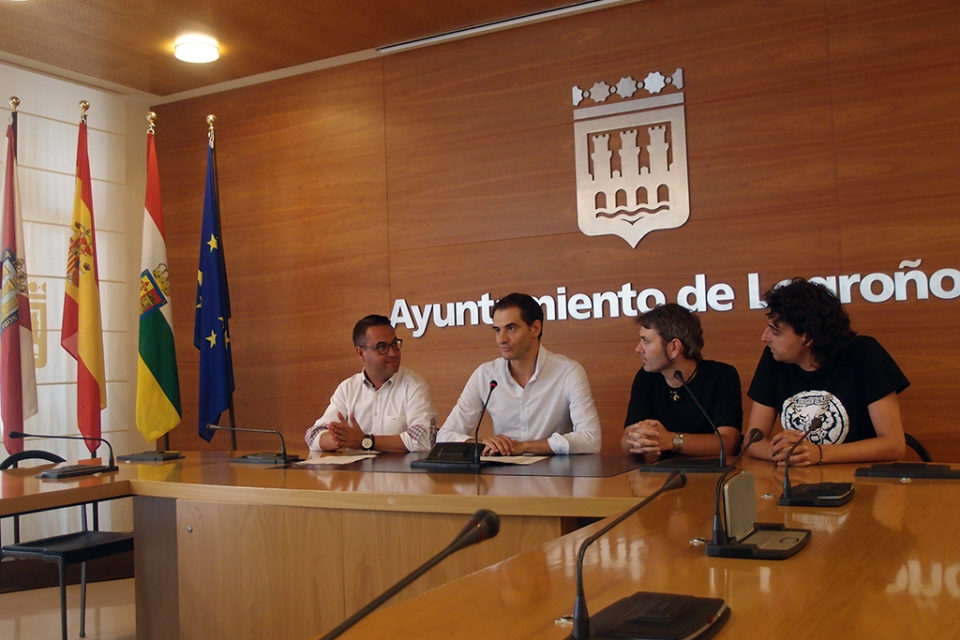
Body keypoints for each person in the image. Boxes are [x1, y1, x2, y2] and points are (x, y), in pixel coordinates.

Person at [745, 278, 908, 465]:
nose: (764, 337)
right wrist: (787, 454)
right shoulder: (774, 358)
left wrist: (819, 453)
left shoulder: (864, 353)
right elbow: (753, 440)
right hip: (798, 483)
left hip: (861, 482)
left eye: (775, 331)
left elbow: (894, 446)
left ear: (806, 337)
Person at [436, 293, 601, 455]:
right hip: (503, 476)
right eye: (497, 330)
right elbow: (444, 436)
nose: (501, 339)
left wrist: (524, 446)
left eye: (511, 328)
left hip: (555, 476)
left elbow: (591, 439)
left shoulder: (568, 372)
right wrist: (480, 443)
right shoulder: (485, 375)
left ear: (535, 328)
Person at [620, 303, 742, 458]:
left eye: (646, 341)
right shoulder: (646, 377)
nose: (638, 349)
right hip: (661, 474)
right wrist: (635, 440)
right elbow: (626, 440)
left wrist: (671, 440)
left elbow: (727, 444)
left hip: (711, 476)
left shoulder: (722, 376)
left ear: (674, 347)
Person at [305, 315, 437, 452]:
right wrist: (342, 439)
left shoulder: (414, 385)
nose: (393, 353)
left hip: (399, 473)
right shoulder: (347, 389)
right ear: (361, 353)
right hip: (355, 473)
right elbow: (312, 435)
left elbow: (423, 440)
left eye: (394, 344)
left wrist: (365, 441)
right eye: (382, 347)